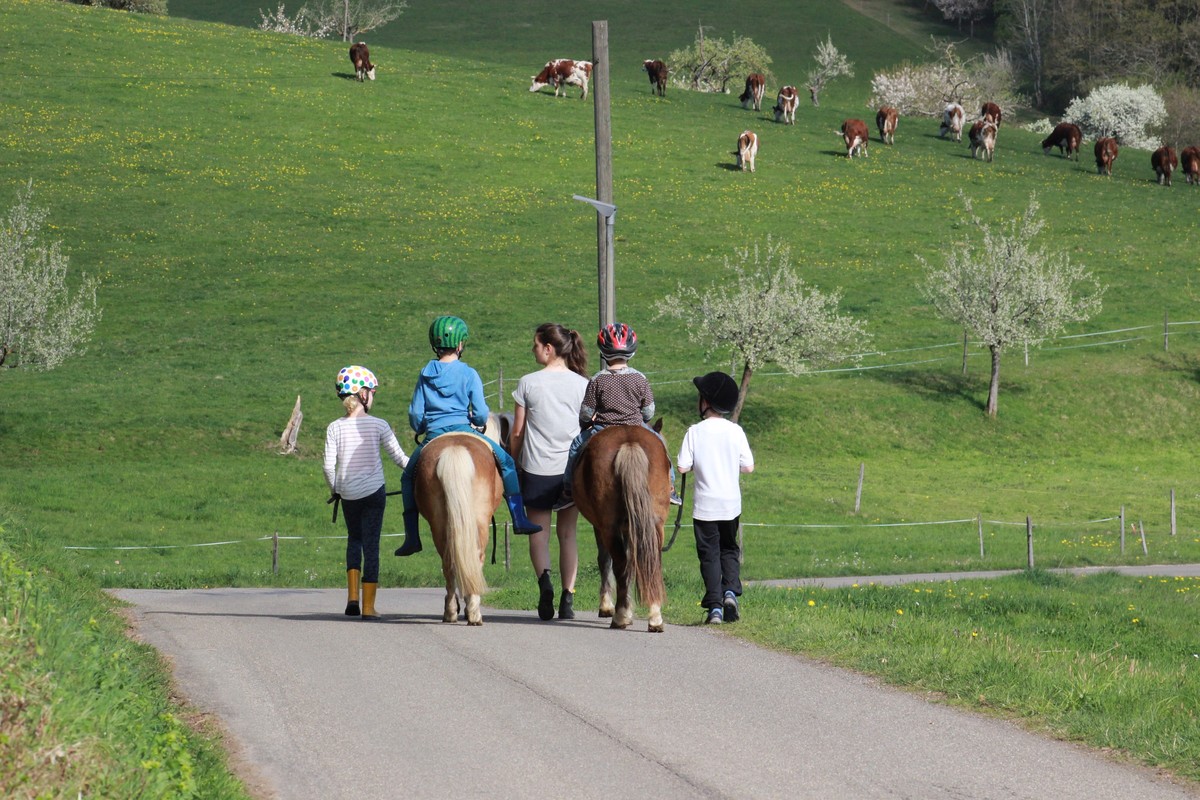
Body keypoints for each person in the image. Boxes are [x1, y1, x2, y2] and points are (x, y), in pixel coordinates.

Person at [393, 315, 541, 557]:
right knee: (506, 462)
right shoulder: (469, 373)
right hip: (465, 429)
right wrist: (479, 422)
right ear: (460, 344)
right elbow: (481, 413)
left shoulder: (425, 374)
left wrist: (422, 426)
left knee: (408, 477)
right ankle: (519, 518)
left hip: (434, 435)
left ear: (434, 344)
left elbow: (415, 414)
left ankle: (412, 537)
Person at [508, 323, 589, 620]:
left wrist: (514, 462)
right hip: (571, 471)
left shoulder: (528, 383)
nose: (533, 349)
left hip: (537, 470)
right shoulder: (583, 384)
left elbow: (518, 432)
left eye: (535, 344)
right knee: (568, 534)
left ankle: (545, 583)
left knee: (538, 535)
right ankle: (568, 598)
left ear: (548, 348)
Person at [561, 321, 681, 507]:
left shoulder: (597, 379)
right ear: (631, 352)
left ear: (603, 352)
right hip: (636, 425)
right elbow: (649, 410)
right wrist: (643, 419)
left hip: (603, 427)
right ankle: (670, 486)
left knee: (576, 445)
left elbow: (586, 412)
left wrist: (586, 422)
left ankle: (568, 490)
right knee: (660, 444)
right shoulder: (640, 378)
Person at [323, 365, 410, 621]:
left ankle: (352, 599)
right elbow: (400, 459)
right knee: (371, 545)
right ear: (362, 394)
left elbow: (328, 466)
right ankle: (369, 608)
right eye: (372, 392)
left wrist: (336, 489)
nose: (373, 397)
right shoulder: (379, 425)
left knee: (354, 539)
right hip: (373, 493)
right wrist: (420, 469)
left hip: (348, 493)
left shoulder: (334, 427)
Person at [676, 371, 754, 625]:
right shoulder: (735, 431)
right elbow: (748, 467)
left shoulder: (694, 432)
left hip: (705, 507)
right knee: (729, 548)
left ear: (706, 402)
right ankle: (730, 592)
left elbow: (682, 467)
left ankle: (715, 607)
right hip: (730, 504)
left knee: (709, 554)